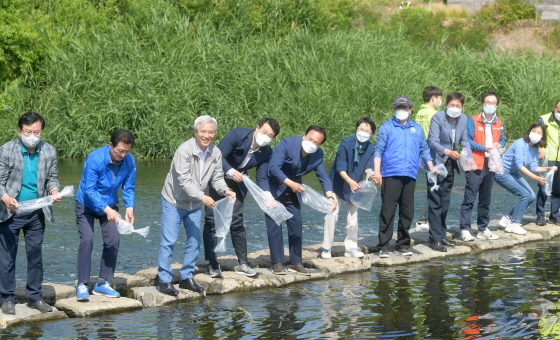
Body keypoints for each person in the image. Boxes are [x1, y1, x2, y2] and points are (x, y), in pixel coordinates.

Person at [158, 115, 235, 296]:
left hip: (194, 203)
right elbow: (183, 180)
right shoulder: (184, 150)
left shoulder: (215, 152)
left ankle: (186, 277)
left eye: (210, 132)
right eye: (203, 132)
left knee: (194, 241)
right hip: (174, 201)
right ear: (195, 132)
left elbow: (217, 178)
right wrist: (202, 196)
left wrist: (225, 191)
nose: (207, 135)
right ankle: (164, 279)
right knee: (169, 241)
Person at [203, 118, 280, 278]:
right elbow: (218, 156)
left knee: (237, 221)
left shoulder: (266, 152)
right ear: (257, 127)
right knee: (211, 221)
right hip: (217, 178)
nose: (266, 137)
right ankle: (212, 263)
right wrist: (230, 171)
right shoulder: (238, 134)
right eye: (264, 132)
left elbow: (262, 176)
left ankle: (243, 263)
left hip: (238, 184)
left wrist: (266, 193)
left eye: (270, 136)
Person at [0, 112, 60, 315]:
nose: (32, 135)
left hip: (36, 212)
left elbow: (52, 178)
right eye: (28, 132)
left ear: (41, 131)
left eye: (36, 132)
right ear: (19, 131)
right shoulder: (7, 150)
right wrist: (6, 198)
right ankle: (7, 298)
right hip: (10, 211)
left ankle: (34, 296)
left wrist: (54, 191)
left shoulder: (49, 151)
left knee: (35, 255)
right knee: (7, 256)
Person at [75, 130, 136, 301]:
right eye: (120, 151)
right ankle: (82, 284)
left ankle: (102, 283)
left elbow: (129, 187)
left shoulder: (129, 161)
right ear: (111, 145)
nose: (123, 155)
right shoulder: (95, 159)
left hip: (109, 203)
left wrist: (129, 207)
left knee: (113, 240)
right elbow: (90, 190)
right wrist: (106, 209)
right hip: (86, 203)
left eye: (127, 151)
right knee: (87, 239)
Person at [266, 126, 337, 275]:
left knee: (296, 224)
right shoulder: (287, 144)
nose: (312, 143)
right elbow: (273, 168)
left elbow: (323, 176)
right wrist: (290, 184)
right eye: (310, 139)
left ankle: (296, 263)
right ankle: (277, 262)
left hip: (294, 190)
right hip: (274, 187)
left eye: (316, 142)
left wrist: (330, 196)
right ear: (304, 136)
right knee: (274, 225)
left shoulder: (317, 155)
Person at [372, 96, 434, 258]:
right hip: (390, 174)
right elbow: (378, 150)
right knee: (388, 210)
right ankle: (384, 245)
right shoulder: (387, 127)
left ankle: (402, 244)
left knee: (407, 211)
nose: (402, 110)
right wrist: (377, 171)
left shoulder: (417, 129)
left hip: (410, 174)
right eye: (399, 107)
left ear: (410, 110)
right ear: (394, 109)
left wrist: (432, 168)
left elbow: (424, 150)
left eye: (405, 108)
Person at [321, 117, 376, 259]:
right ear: (356, 129)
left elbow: (368, 166)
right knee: (332, 214)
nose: (363, 132)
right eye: (361, 129)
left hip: (355, 186)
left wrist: (371, 174)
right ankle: (326, 248)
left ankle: (351, 248)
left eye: (367, 130)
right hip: (338, 183)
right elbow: (340, 167)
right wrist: (349, 181)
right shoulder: (346, 142)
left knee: (353, 219)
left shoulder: (371, 147)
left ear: (371, 133)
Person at [459, 92, 506, 241]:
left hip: (491, 163)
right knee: (470, 197)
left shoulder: (499, 122)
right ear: (482, 104)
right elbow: (467, 140)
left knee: (486, 198)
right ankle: (465, 229)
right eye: (487, 102)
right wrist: (483, 148)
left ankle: (483, 228)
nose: (490, 105)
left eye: (493, 103)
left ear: (496, 105)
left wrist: (500, 145)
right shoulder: (472, 120)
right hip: (475, 162)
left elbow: (504, 140)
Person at [426, 92, 470, 252]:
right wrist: (447, 152)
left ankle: (442, 236)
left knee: (445, 201)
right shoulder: (438, 118)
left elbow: (464, 140)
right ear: (446, 105)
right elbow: (433, 142)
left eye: (458, 105)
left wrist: (467, 157)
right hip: (436, 164)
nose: (455, 108)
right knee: (435, 201)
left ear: (462, 107)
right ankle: (434, 239)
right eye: (452, 105)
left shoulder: (463, 119)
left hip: (451, 163)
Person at [496, 123, 554, 235]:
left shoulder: (535, 148)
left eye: (539, 133)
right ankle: (515, 223)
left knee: (531, 196)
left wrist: (548, 169)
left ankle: (508, 218)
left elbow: (533, 167)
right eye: (534, 130)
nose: (536, 134)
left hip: (513, 173)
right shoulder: (520, 143)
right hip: (502, 172)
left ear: (542, 136)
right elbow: (520, 165)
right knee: (525, 195)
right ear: (529, 131)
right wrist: (536, 178)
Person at [414, 86, 443, 231]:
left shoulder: (419, 112)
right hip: (432, 154)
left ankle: (426, 220)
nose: (440, 101)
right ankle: (423, 220)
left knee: (432, 185)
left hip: (422, 154)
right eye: (439, 98)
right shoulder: (434, 114)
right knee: (435, 187)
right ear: (433, 98)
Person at [536, 100, 560, 226]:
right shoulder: (544, 120)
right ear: (554, 107)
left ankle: (554, 216)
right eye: (559, 110)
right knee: (543, 187)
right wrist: (539, 149)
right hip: (547, 158)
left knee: (558, 188)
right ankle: (540, 215)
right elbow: (534, 135)